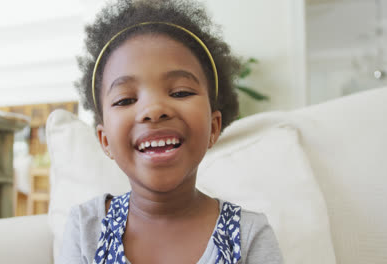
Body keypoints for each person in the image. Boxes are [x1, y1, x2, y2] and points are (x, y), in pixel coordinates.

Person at [58, 0, 283, 263]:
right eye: (125, 100)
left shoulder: (247, 235)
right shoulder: (88, 229)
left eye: (180, 92)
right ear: (104, 140)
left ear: (213, 127)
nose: (153, 110)